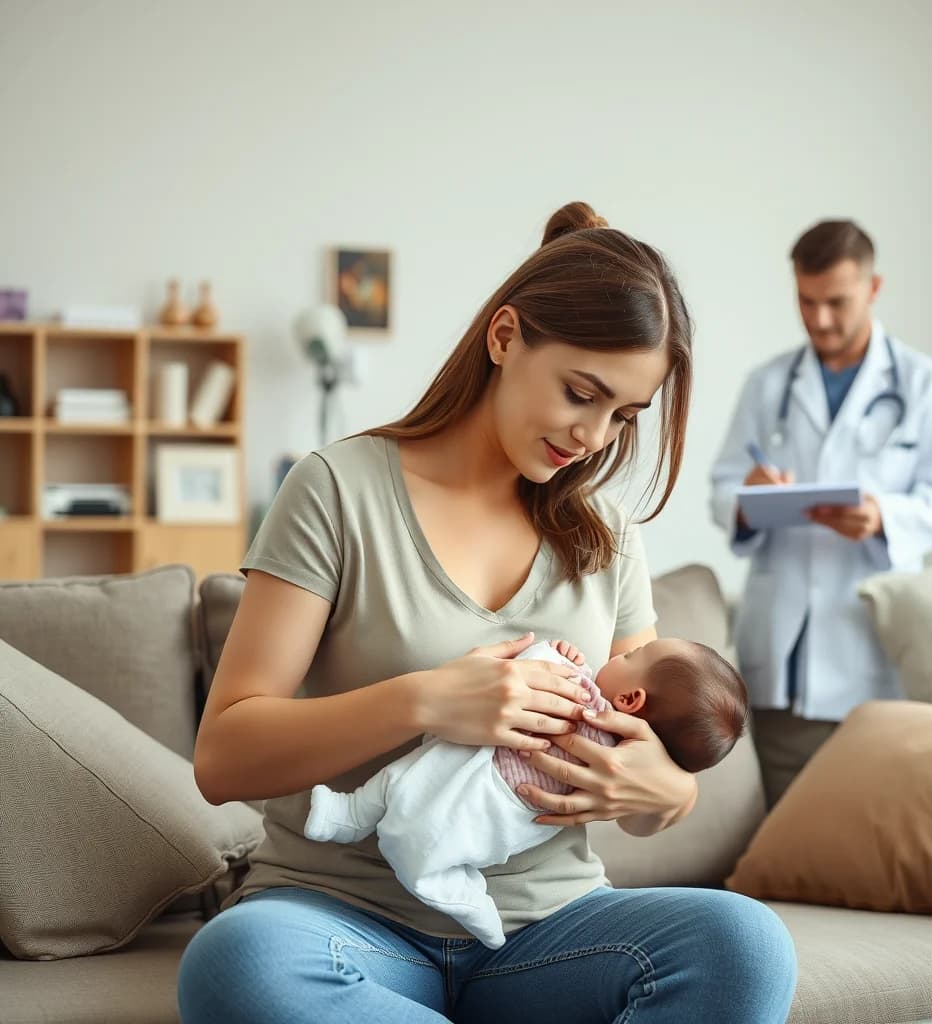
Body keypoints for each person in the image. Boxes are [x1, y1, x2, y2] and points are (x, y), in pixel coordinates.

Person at [179, 201, 797, 1023]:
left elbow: (657, 775)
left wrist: (663, 793)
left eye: (622, 415)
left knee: (745, 946)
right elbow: (224, 757)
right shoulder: (336, 491)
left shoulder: (608, 535)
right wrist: (428, 700)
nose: (594, 435)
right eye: (581, 393)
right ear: (505, 337)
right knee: (238, 964)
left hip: (550, 930)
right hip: (345, 919)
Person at [710, 219, 932, 808]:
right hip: (780, 662)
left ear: (873, 288)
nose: (819, 320)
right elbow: (723, 488)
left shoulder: (926, 385)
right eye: (806, 301)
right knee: (778, 826)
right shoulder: (768, 385)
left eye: (836, 302)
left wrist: (885, 515)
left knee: (869, 819)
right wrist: (752, 498)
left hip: (870, 651)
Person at [302, 635, 749, 949]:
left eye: (630, 654)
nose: (618, 653)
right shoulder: (600, 707)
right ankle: (365, 823)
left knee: (422, 819)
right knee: (414, 786)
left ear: (631, 700)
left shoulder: (592, 707)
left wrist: (676, 790)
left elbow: (539, 667)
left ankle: (442, 879)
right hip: (478, 782)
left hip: (505, 804)